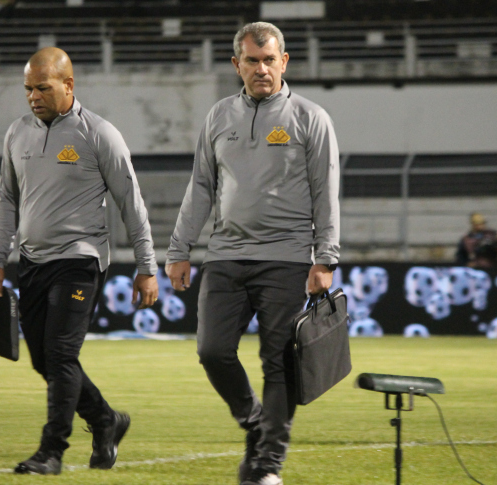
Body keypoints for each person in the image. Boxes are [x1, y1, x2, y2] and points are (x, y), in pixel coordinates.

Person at [165, 22, 340, 485]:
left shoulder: (310, 117)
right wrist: (178, 249)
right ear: (236, 65)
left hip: (286, 257)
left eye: (269, 60)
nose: (261, 69)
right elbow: (200, 187)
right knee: (212, 351)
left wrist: (325, 258)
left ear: (284, 62)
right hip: (224, 254)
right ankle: (254, 421)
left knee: (278, 362)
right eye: (251, 61)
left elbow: (327, 193)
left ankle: (266, 466)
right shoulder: (219, 116)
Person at [0, 47, 159, 475]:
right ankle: (105, 420)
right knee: (45, 360)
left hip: (80, 261)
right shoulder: (16, 133)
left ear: (68, 84)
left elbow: (130, 203)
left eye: (42, 87)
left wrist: (146, 265)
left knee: (60, 353)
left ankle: (52, 451)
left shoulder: (99, 134)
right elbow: (7, 199)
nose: (33, 96)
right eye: (28, 88)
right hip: (33, 263)